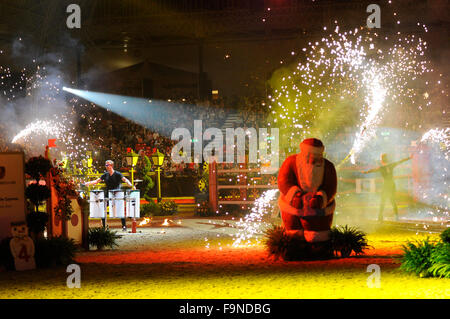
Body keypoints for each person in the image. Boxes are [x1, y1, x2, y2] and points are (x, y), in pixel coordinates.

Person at [277, 138, 337, 255]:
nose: (315, 158)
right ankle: (293, 249)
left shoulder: (328, 166)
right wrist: (294, 195)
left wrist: (321, 198)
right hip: (293, 206)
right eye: (312, 154)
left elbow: (331, 186)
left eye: (318, 155)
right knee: (293, 228)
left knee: (318, 231)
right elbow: (284, 180)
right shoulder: (290, 162)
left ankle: (318, 249)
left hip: (318, 207)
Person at [82, 160, 136, 231]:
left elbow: (125, 180)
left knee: (120, 209)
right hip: (108, 194)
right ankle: (104, 226)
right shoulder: (105, 175)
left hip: (117, 193)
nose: (106, 167)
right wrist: (87, 183)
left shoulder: (117, 174)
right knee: (102, 208)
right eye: (106, 165)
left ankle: (124, 226)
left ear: (111, 165)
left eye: (107, 165)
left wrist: (131, 186)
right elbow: (96, 181)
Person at [361, 153, 412, 221]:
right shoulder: (390, 165)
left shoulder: (382, 167)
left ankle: (381, 216)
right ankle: (395, 216)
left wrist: (365, 172)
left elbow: (372, 170)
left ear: (382, 160)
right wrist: (409, 158)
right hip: (391, 184)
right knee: (392, 200)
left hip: (386, 184)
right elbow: (400, 161)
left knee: (383, 201)